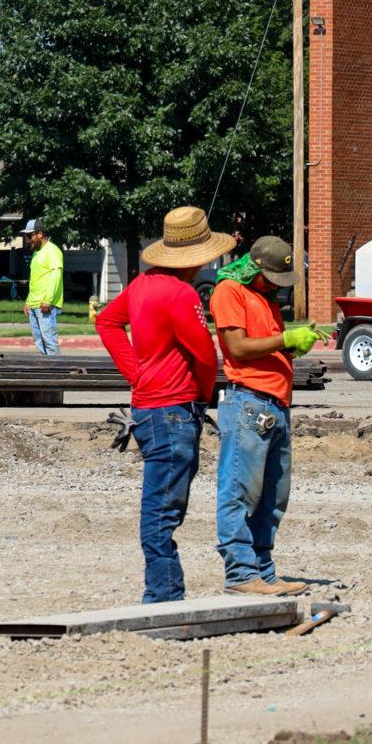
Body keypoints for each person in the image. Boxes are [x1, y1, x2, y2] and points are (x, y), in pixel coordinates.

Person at [95, 206, 232, 604]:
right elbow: (205, 356)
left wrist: (136, 373)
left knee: (159, 510)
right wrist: (204, 395)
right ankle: (164, 595)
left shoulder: (142, 284)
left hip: (149, 411)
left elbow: (106, 322)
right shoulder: (182, 293)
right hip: (175, 412)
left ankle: (163, 591)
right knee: (160, 516)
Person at [208, 236, 320, 596]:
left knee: (273, 496)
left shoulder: (263, 296)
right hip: (249, 404)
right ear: (256, 266)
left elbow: (265, 346)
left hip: (274, 405)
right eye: (272, 277)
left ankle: (262, 571)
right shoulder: (229, 291)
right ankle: (241, 573)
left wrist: (290, 345)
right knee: (240, 491)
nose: (276, 286)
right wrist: (286, 340)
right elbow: (238, 347)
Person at [21, 219, 65, 356]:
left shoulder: (52, 251)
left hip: (45, 304)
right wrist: (28, 301)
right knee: (38, 339)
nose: (28, 240)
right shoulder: (36, 253)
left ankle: (57, 371)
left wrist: (47, 299)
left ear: (40, 234)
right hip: (34, 304)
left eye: (30, 236)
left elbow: (55, 276)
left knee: (49, 339)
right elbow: (35, 280)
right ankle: (47, 367)